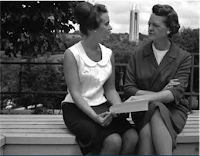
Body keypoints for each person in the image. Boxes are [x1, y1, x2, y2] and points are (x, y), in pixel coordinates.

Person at [61, 2, 138, 155]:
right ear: (93, 28)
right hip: (77, 110)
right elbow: (75, 94)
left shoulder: (108, 54)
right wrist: (95, 118)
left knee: (132, 136)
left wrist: (119, 108)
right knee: (113, 141)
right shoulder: (72, 54)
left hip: (103, 107)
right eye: (107, 24)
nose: (110, 28)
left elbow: (110, 90)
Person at [124, 4, 192, 155]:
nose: (149, 28)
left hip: (173, 110)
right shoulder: (138, 55)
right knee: (154, 109)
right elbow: (128, 89)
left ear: (169, 29)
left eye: (155, 25)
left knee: (149, 126)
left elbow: (175, 93)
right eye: (149, 24)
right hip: (142, 109)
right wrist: (162, 93)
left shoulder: (183, 57)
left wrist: (152, 95)